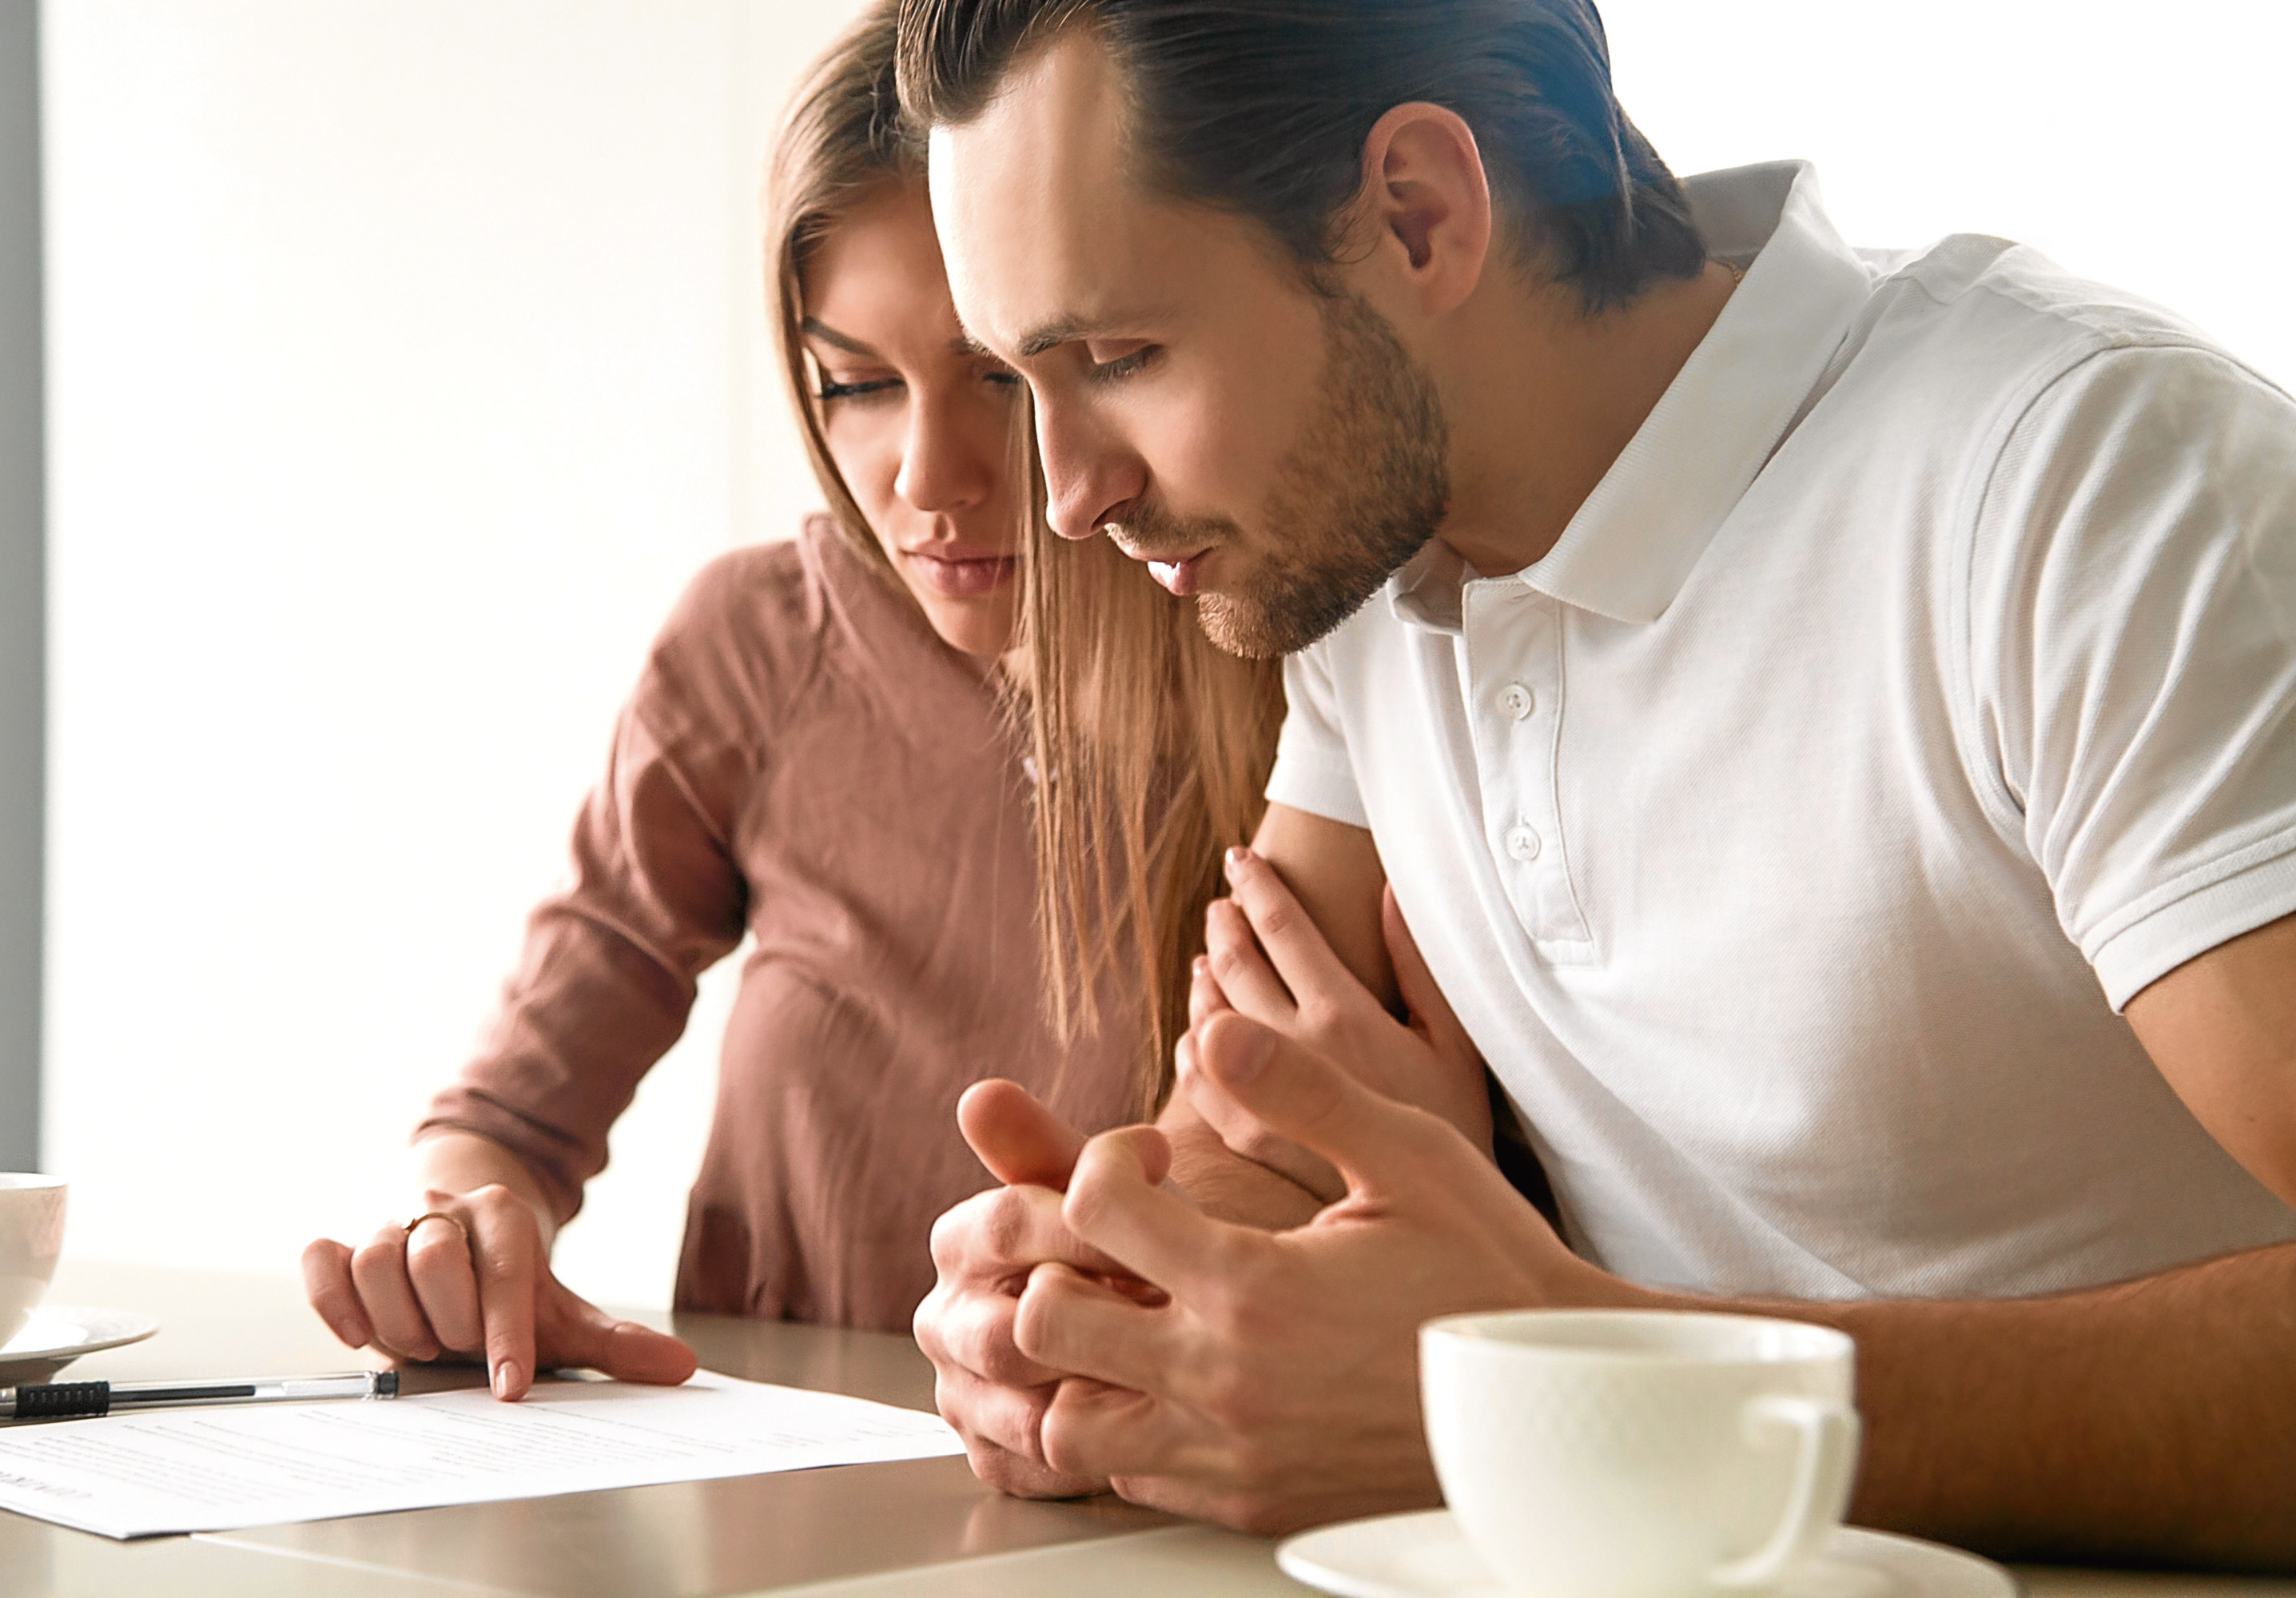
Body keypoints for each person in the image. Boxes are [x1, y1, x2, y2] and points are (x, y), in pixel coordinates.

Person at [894, 0, 2296, 1568]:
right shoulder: (1363, 566)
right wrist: (1116, 1305)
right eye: (1030, 380)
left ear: (1419, 214)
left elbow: (1482, 1329)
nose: (1068, 495)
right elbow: (1263, 1143)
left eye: (1118, 357)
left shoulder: (2077, 485)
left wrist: (1570, 1374)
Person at [296, 1, 1277, 1401]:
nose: (925, 479)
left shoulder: (1296, 665)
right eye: (854, 384)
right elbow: (506, 1114)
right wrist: (458, 1221)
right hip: (774, 1490)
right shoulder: (759, 643)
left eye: (996, 377)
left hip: (1134, 1480)